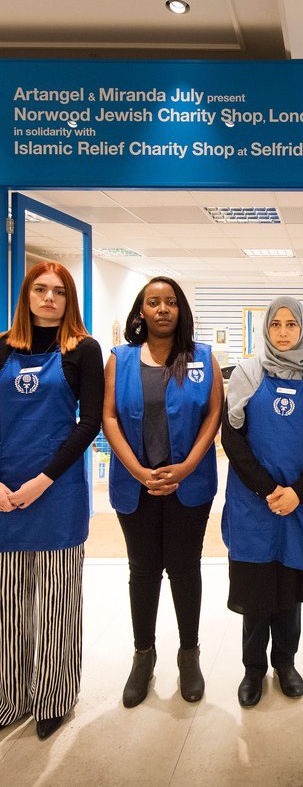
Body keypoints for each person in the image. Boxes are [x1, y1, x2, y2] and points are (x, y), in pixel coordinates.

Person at [103, 276, 223, 708]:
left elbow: (214, 413)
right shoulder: (120, 358)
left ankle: (188, 655)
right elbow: (110, 417)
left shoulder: (202, 358)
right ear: (141, 312)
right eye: (153, 302)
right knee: (143, 570)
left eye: (170, 302)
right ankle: (143, 655)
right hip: (136, 485)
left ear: (181, 310)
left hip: (188, 484)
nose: (162, 309)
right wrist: (136, 470)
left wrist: (189, 464)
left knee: (185, 568)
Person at [0, 261, 103, 739]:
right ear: (26, 296)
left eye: (58, 292)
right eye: (39, 290)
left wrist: (44, 480)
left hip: (57, 492)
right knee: (6, 604)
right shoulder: (0, 347)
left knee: (58, 603)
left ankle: (54, 697)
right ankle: (9, 695)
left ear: (69, 300)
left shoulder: (83, 350)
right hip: (2, 493)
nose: (48, 298)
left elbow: (89, 424)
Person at [221, 297, 303, 707]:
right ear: (265, 330)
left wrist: (298, 491)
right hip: (255, 503)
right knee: (256, 592)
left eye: (291, 324)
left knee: (288, 590)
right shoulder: (246, 375)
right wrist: (269, 490)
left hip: (300, 504)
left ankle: (285, 662)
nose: (284, 332)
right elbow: (232, 439)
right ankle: (253, 668)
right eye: (276, 325)